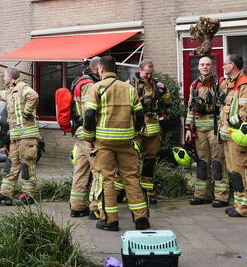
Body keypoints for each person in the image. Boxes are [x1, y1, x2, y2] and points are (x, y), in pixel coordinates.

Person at [83, 55, 150, 231]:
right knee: (132, 178)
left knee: (107, 179)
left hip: (103, 142)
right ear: (116, 70)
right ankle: (141, 219)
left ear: (101, 69)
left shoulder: (96, 88)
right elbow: (140, 115)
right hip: (126, 142)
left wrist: (89, 137)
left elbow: (89, 116)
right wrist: (134, 134)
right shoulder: (129, 88)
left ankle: (110, 221)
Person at [0, 67, 40, 205]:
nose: (3, 79)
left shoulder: (22, 87)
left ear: (11, 77)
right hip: (15, 136)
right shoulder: (10, 91)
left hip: (27, 136)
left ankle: (29, 196)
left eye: (5, 76)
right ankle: (5, 194)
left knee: (27, 165)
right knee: (11, 165)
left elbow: (34, 96)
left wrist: (27, 112)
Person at [185, 57, 227, 207]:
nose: (205, 67)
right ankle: (202, 195)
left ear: (212, 67)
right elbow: (190, 107)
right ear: (198, 67)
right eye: (202, 64)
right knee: (202, 163)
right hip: (199, 129)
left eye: (208, 64)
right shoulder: (194, 85)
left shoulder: (219, 82)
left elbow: (225, 106)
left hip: (215, 128)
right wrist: (188, 128)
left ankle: (221, 197)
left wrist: (223, 126)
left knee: (217, 162)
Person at [219, 55, 247, 218]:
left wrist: (232, 123)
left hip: (238, 135)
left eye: (225, 64)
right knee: (234, 172)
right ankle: (238, 204)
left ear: (233, 65)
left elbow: (246, 111)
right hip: (229, 136)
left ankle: (246, 208)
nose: (223, 67)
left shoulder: (244, 83)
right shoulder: (230, 84)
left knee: (243, 170)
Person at [134, 61, 173, 203]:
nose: (149, 76)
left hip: (153, 128)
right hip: (137, 129)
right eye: (146, 73)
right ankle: (131, 192)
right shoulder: (131, 85)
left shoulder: (156, 84)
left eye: (151, 73)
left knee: (150, 160)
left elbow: (168, 102)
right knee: (133, 160)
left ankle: (148, 191)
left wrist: (165, 90)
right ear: (140, 71)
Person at [69, 57, 101, 217]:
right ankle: (95, 208)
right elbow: (89, 112)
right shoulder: (89, 84)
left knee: (81, 170)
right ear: (97, 68)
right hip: (87, 133)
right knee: (98, 170)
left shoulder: (78, 80)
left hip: (79, 133)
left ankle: (77, 206)